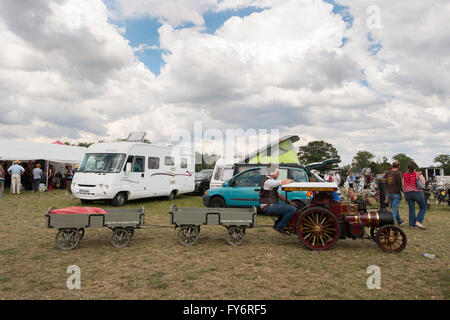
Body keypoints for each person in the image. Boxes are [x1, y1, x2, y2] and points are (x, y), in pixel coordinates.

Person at [259, 165, 297, 234]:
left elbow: (280, 195)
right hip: (268, 207)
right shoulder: (269, 182)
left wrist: (290, 202)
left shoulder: (271, 182)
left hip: (269, 206)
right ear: (271, 173)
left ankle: (277, 224)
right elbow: (282, 182)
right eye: (277, 172)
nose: (278, 173)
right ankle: (280, 226)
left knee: (288, 207)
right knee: (292, 209)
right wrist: (292, 180)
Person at [403, 161, 427, 230]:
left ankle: (411, 225)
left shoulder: (405, 174)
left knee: (411, 209)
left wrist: (404, 192)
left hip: (408, 193)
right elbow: (423, 182)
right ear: (415, 167)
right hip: (417, 193)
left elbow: (403, 184)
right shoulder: (418, 173)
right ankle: (418, 221)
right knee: (423, 207)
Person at [385, 160, 406, 226]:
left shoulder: (387, 173)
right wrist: (403, 192)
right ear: (399, 166)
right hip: (396, 193)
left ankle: (399, 221)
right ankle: (392, 221)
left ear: (392, 166)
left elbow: (385, 182)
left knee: (394, 207)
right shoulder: (398, 173)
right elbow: (400, 184)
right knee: (394, 208)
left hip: (389, 193)